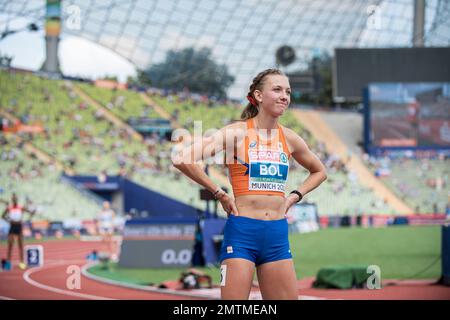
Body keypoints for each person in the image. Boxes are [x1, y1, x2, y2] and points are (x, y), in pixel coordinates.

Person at [172, 68, 327, 299]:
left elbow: (319, 171)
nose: (285, 96)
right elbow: (182, 158)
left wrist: (294, 196)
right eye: (277, 89)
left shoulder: (290, 138)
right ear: (258, 95)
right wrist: (219, 192)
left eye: (288, 91)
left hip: (276, 234)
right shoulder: (237, 132)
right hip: (243, 233)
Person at [2, 193, 35, 270]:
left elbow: (31, 212)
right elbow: (2, 216)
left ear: (17, 199)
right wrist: (8, 220)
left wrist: (28, 219)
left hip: (19, 226)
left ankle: (22, 262)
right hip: (12, 226)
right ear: (12, 200)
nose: (14, 199)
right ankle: (8, 263)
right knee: (10, 245)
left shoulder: (21, 207)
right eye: (13, 198)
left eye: (15, 198)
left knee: (20, 245)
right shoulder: (9, 208)